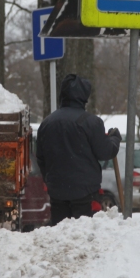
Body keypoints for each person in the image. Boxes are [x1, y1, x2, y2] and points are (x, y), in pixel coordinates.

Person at [35, 74, 121, 225]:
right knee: (84, 233)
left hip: (57, 193)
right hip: (85, 193)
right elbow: (105, 152)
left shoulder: (47, 123)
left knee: (60, 233)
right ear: (84, 96)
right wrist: (114, 139)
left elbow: (41, 157)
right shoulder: (91, 123)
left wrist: (50, 180)